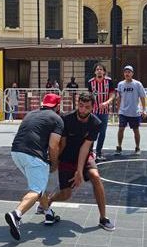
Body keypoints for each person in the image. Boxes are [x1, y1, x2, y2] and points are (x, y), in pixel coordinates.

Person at [38, 92, 115, 231]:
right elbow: (61, 143)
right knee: (66, 195)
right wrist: (54, 161)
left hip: (85, 156)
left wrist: (79, 171)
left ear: (93, 107)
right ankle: (48, 200)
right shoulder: (66, 119)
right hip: (67, 157)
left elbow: (85, 148)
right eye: (81, 106)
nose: (83, 110)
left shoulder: (96, 123)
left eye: (87, 107)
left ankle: (103, 218)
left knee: (95, 176)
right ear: (77, 104)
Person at [4, 93, 64, 241]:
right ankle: (16, 214)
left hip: (16, 152)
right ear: (57, 106)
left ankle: (48, 214)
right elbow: (53, 145)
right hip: (33, 155)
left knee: (39, 185)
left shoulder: (31, 114)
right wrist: (54, 163)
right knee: (36, 190)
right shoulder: (57, 119)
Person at [86, 64, 116, 162]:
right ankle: (90, 152)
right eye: (97, 69)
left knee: (102, 132)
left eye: (101, 69)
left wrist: (107, 102)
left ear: (104, 72)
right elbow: (89, 96)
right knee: (92, 132)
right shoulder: (90, 82)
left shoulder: (109, 81)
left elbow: (112, 94)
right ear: (95, 72)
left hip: (104, 111)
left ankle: (98, 152)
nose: (99, 71)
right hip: (94, 111)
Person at [115, 66, 146, 155]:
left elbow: (142, 97)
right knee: (121, 129)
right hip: (123, 112)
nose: (127, 74)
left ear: (132, 73)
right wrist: (118, 110)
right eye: (125, 72)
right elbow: (119, 98)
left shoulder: (137, 84)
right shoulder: (120, 84)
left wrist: (144, 110)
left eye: (129, 72)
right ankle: (119, 147)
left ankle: (137, 148)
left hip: (134, 112)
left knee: (136, 130)